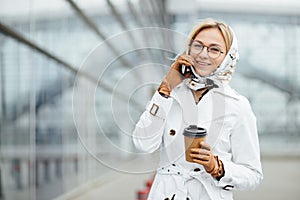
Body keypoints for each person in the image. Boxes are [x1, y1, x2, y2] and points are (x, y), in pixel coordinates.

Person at [132, 18, 263, 200]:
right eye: (198, 46)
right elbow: (143, 144)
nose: (203, 54)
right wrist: (165, 89)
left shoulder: (237, 105)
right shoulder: (170, 95)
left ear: (228, 57)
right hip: (166, 193)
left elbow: (253, 174)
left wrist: (217, 167)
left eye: (214, 49)